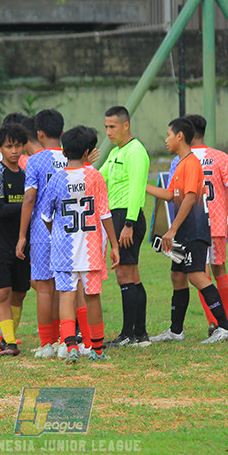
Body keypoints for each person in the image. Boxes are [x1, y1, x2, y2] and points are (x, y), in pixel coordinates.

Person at [145, 117, 228, 344]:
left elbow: (190, 197)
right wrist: (141, 186)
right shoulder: (181, 163)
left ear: (180, 136)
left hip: (194, 229)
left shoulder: (191, 163)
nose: (166, 139)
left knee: (197, 276)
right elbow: (171, 195)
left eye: (168, 134)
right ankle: (176, 331)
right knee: (177, 276)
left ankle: (225, 327)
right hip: (184, 231)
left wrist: (172, 229)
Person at [166, 114, 228, 336]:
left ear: (184, 133)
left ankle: (215, 323)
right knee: (219, 270)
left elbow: (173, 194)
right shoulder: (220, 157)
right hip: (215, 223)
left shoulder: (179, 160)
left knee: (198, 273)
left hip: (191, 225)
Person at [38, 125, 120, 363]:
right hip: (91, 249)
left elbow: (46, 216)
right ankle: (96, 349)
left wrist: (59, 235)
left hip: (63, 249)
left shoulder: (56, 179)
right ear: (88, 152)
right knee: (93, 296)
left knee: (66, 295)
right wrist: (114, 245)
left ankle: (70, 346)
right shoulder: (95, 176)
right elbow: (105, 214)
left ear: (64, 152)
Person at [16, 109, 68, 358]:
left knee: (45, 288)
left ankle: (47, 343)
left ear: (39, 133)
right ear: (63, 132)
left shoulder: (36, 160)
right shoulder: (73, 158)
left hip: (41, 231)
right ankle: (63, 340)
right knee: (63, 287)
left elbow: (29, 198)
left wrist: (22, 235)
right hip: (69, 230)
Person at [100, 106, 151, 348]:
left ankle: (129, 335)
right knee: (131, 275)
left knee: (124, 274)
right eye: (106, 127)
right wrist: (82, 167)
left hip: (126, 218)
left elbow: (137, 189)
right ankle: (139, 334)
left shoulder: (136, 152)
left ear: (125, 125)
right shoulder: (115, 153)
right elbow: (100, 179)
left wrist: (129, 224)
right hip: (118, 217)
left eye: (112, 127)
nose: (108, 132)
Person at [0, 123, 32, 356]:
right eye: (8, 146)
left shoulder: (25, 175)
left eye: (17, 146)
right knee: (2, 293)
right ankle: (10, 342)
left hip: (22, 243)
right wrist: (27, 205)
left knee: (20, 292)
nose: (14, 151)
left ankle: (7, 338)